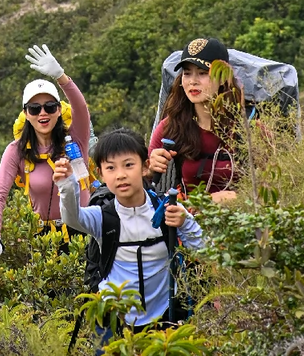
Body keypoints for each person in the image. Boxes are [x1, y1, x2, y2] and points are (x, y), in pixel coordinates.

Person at [55, 127, 203, 331]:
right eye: (111, 168)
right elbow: (72, 217)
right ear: (101, 174)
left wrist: (185, 222)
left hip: (164, 318)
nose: (121, 175)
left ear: (145, 167)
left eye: (129, 165)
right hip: (114, 319)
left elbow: (205, 250)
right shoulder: (103, 217)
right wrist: (67, 185)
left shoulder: (167, 210)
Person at [0, 43, 91, 265]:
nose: (43, 113)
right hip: (43, 240)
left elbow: (81, 108)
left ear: (59, 110)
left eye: (50, 106)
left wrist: (61, 77)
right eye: (35, 108)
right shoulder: (16, 151)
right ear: (26, 113)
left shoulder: (75, 139)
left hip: (85, 231)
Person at [149, 37, 240, 203]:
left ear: (222, 78)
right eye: (187, 73)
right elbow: (145, 179)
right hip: (188, 222)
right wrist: (150, 166)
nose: (193, 81)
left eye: (203, 73)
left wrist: (235, 199)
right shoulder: (172, 126)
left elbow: (271, 188)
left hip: (241, 222)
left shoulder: (246, 129)